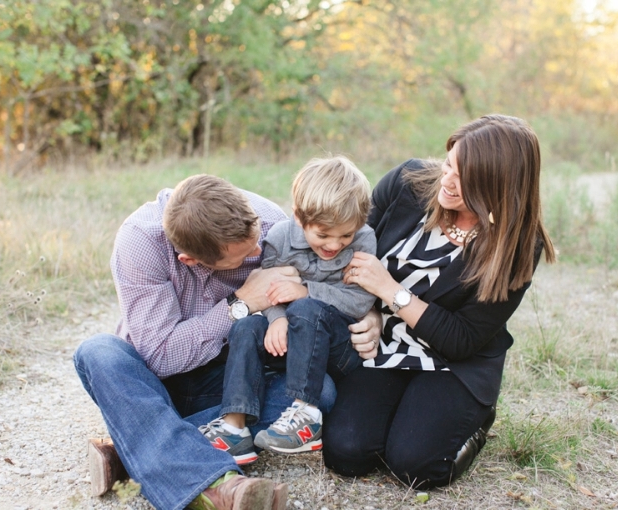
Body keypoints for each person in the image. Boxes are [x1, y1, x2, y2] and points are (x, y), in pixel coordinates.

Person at [322, 114, 556, 489]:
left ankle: (472, 425)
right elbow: (348, 250)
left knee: (415, 467)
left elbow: (461, 339)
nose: (447, 180)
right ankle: (401, 418)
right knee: (346, 452)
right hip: (389, 345)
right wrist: (371, 311)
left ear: (498, 185)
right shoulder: (407, 183)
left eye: (465, 178)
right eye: (450, 163)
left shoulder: (516, 245)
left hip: (454, 362)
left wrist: (391, 293)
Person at [73, 174, 334, 510]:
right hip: (156, 384)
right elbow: (159, 356)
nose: (258, 251)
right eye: (242, 256)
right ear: (191, 260)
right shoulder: (139, 242)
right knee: (98, 352)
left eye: (255, 241)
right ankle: (214, 487)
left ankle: (135, 453)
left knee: (320, 392)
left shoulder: (270, 226)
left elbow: (314, 303)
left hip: (233, 383)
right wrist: (240, 304)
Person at [199, 156, 377, 461]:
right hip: (292, 345)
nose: (335, 245)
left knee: (306, 308)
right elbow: (269, 292)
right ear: (299, 217)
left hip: (337, 346)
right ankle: (235, 428)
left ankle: (305, 416)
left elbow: (361, 301)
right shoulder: (279, 238)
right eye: (323, 234)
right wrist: (277, 319)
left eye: (345, 235)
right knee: (246, 326)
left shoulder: (364, 240)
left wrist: (305, 290)